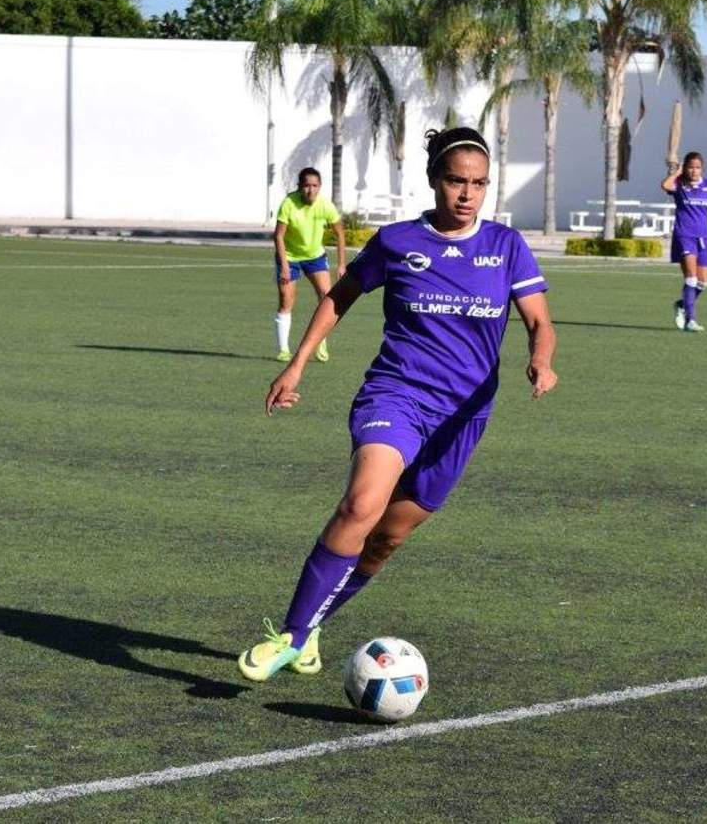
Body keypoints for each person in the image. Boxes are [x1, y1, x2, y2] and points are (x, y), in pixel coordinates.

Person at [238, 127, 557, 682]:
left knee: (387, 538)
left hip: (463, 417)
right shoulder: (397, 241)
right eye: (456, 181)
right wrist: (297, 364)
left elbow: (539, 322)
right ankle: (290, 635)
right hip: (397, 394)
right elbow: (338, 297)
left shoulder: (506, 246)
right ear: (434, 180)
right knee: (362, 505)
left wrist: (541, 359)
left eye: (479, 184)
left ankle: (312, 628)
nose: (467, 194)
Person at [272, 167, 346, 363]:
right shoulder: (289, 203)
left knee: (327, 297)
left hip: (315, 257)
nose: (310, 190)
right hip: (290, 257)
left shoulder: (325, 205)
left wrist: (341, 265)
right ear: (299, 186)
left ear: (319, 187)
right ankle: (283, 349)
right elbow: (278, 236)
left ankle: (320, 341)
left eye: (315, 186)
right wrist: (285, 266)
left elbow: (339, 233)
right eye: (306, 185)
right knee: (286, 300)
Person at [660, 151, 707, 333]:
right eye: (690, 167)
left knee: (703, 282)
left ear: (702, 168)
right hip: (684, 235)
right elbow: (665, 185)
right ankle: (690, 321)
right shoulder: (679, 184)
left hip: (703, 237)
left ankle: (682, 304)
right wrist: (678, 172)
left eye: (697, 167)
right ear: (685, 167)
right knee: (691, 278)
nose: (694, 171)